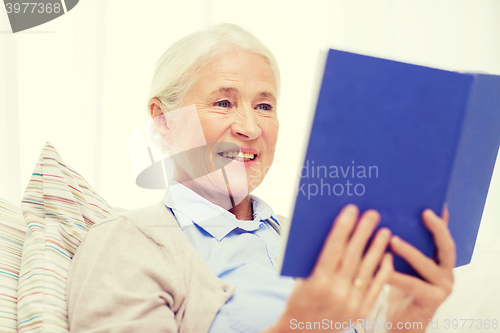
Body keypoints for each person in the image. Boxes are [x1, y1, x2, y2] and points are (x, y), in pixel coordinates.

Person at [66, 23, 455, 333]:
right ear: (164, 121)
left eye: (264, 105)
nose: (250, 128)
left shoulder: (319, 239)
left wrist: (409, 320)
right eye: (224, 102)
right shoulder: (130, 240)